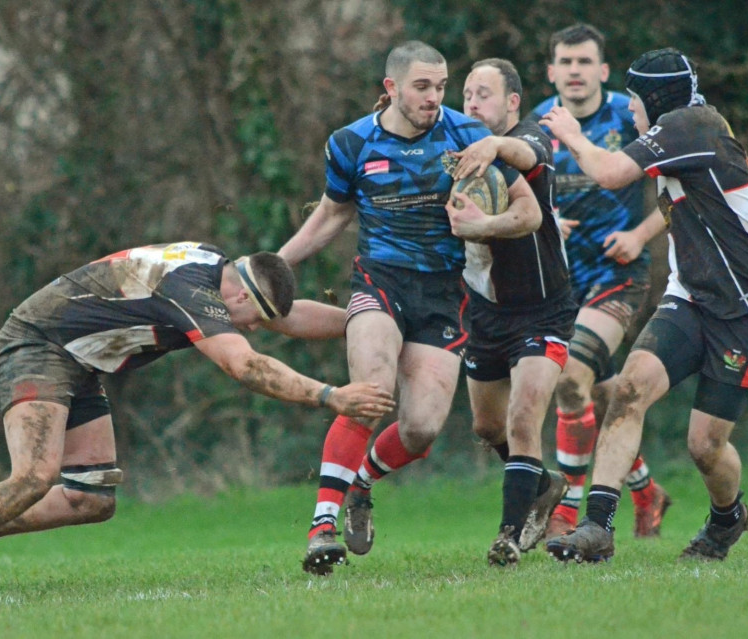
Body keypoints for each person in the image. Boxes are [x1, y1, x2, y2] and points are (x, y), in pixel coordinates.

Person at [0, 241, 396, 597]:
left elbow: (290, 318)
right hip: (40, 344)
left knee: (89, 499)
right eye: (255, 321)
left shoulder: (217, 273)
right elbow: (243, 365)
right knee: (36, 475)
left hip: (81, 360)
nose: (256, 330)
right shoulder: (192, 290)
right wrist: (331, 395)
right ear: (241, 298)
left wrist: (373, 319)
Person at [278, 41, 542, 575]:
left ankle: (360, 484)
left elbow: (529, 211)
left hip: (444, 293)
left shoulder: (467, 136)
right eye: (423, 87)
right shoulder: (351, 143)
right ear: (391, 89)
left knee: (421, 428)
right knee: (370, 390)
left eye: (441, 86)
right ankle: (321, 527)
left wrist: (482, 226)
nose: (435, 98)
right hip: (380, 280)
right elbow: (332, 215)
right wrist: (276, 265)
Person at [542, 48, 748, 563]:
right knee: (628, 390)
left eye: (634, 100)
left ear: (654, 99)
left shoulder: (689, 125)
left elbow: (610, 174)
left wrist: (570, 134)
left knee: (704, 445)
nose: (631, 111)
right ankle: (597, 527)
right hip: (690, 300)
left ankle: (727, 518)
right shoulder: (686, 131)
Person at [529, 23, 670, 541]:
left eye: (584, 62)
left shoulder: (629, 120)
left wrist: (640, 235)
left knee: (568, 380)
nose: (575, 71)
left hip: (617, 274)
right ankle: (647, 491)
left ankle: (565, 511)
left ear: (603, 71)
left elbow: (680, 191)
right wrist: (543, 219)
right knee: (606, 401)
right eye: (565, 62)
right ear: (551, 72)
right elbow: (520, 193)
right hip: (561, 283)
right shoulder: (538, 124)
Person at [451, 58, 573, 565]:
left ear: (512, 103)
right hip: (485, 313)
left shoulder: (526, 140)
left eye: (484, 95)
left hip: (543, 312)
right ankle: (542, 486)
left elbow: (527, 165)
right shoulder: (456, 145)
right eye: (468, 95)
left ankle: (508, 534)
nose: (473, 104)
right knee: (486, 427)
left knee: (524, 419)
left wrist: (497, 146)